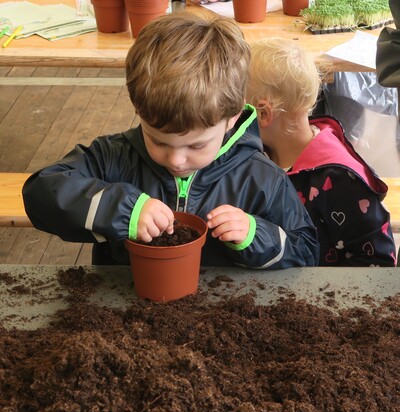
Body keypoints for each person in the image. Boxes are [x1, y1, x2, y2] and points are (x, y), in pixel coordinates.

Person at [22, 13, 319, 268]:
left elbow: (306, 252)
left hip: (225, 309)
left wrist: (255, 235)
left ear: (233, 117)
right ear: (138, 111)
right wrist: (122, 210)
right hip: (123, 305)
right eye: (159, 141)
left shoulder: (262, 178)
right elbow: (40, 193)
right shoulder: (113, 157)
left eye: (197, 145)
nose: (176, 160)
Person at [247, 37, 397, 267]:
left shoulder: (340, 178)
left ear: (263, 113)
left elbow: (378, 260)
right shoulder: (260, 154)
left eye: (235, 107)